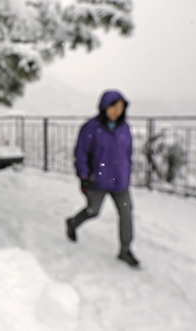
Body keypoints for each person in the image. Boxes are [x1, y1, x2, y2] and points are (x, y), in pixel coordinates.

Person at [66, 90, 139, 267]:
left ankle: (125, 250)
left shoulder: (125, 128)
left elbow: (128, 152)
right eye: (114, 106)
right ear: (104, 107)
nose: (117, 111)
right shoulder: (90, 128)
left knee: (126, 213)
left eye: (121, 107)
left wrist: (126, 171)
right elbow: (81, 153)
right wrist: (83, 176)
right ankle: (72, 223)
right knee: (93, 211)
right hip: (97, 181)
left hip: (120, 182)